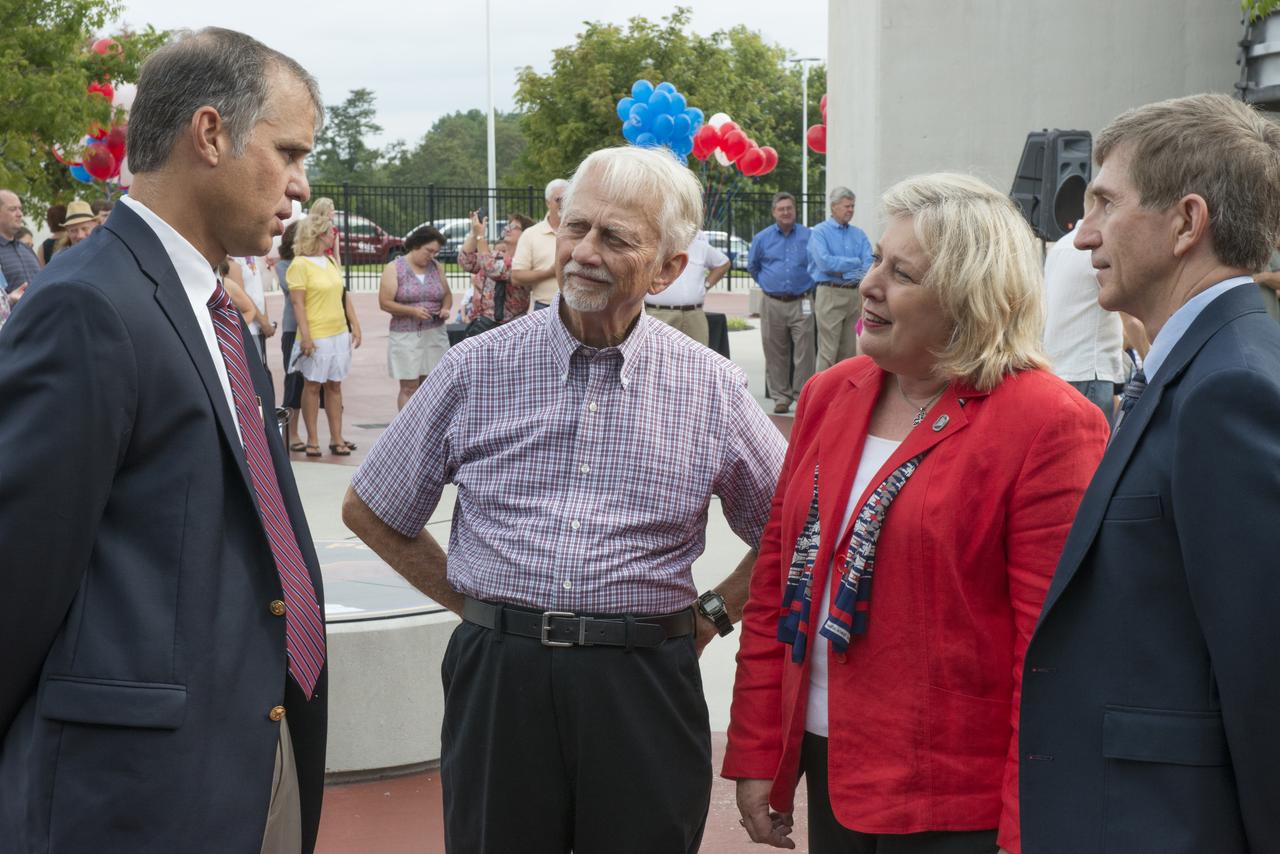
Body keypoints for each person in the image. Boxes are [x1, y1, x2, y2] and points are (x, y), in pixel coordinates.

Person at [342, 145, 787, 854]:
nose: (581, 251)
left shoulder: (710, 388)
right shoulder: (476, 368)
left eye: (615, 238)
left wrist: (711, 615)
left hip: (644, 680)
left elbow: (795, 532)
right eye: (575, 227)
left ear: (670, 268)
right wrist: (473, 606)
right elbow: (371, 508)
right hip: (500, 681)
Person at [0, 28, 328, 852]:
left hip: (254, 741)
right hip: (136, 791)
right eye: (287, 151)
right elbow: (17, 575)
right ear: (210, 134)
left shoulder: (212, 308)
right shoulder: (91, 305)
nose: (301, 184)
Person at [726, 173, 1109, 854]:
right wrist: (760, 753)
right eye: (876, 258)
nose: (870, 284)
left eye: (901, 273)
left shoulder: (1049, 424)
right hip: (830, 764)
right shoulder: (830, 394)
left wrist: (1026, 829)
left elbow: (1052, 660)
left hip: (957, 803)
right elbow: (777, 584)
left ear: (970, 301)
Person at [1019, 93, 1280, 854]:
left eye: (1104, 201)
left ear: (1187, 223)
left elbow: (1265, 673)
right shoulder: (1199, 368)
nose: (1083, 233)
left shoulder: (1231, 389)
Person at [287, 205, 362, 456]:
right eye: (331, 232)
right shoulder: (299, 264)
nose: (334, 236)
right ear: (319, 235)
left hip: (338, 332)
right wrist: (306, 336)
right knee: (312, 386)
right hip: (316, 334)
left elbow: (343, 295)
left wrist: (355, 325)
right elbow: (298, 303)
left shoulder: (330, 261)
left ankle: (337, 438)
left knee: (335, 386)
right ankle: (312, 439)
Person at [1042, 222, 1125, 421]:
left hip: (1058, 369)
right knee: (1095, 450)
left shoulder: (1060, 246)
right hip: (1089, 369)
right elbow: (1131, 319)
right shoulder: (1101, 248)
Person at [748, 192, 815, 413]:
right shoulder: (762, 238)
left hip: (802, 301)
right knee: (775, 351)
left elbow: (816, 264)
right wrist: (770, 284)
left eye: (789, 208)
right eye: (781, 209)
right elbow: (753, 267)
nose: (786, 212)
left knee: (805, 351)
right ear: (774, 212)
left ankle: (802, 395)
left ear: (795, 210)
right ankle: (781, 397)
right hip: (772, 302)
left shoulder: (808, 236)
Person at [379, 225, 451, 410]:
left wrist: (445, 308)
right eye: (429, 251)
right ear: (416, 245)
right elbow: (385, 302)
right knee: (409, 386)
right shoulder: (395, 268)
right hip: (406, 335)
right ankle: (406, 430)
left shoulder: (436, 268)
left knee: (432, 385)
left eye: (435, 252)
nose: (431, 256)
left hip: (435, 333)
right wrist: (412, 311)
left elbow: (447, 295)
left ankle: (427, 428)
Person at [808, 186, 872, 370]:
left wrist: (843, 271)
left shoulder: (858, 234)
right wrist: (854, 262)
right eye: (847, 206)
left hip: (853, 295)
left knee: (849, 351)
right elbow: (825, 263)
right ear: (834, 206)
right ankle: (822, 396)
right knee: (828, 351)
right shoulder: (819, 232)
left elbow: (868, 264)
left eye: (852, 206)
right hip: (829, 293)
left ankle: (844, 395)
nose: (851, 210)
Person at [643, 229, 731, 347]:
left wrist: (706, 285)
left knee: (699, 359)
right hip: (659, 313)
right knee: (657, 356)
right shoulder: (654, 243)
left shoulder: (700, 246)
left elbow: (723, 263)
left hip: (694, 315)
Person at [458, 211, 534, 327]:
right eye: (509, 225)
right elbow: (466, 261)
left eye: (515, 227)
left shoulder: (525, 261)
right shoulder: (495, 255)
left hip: (510, 328)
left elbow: (491, 267)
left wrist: (480, 237)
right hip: (480, 324)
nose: (508, 229)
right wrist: (474, 232)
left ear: (526, 234)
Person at [511, 178, 567, 311]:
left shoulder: (582, 232)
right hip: (544, 307)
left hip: (578, 308)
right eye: (559, 199)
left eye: (569, 198)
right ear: (548, 202)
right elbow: (516, 277)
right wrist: (549, 272)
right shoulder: (531, 234)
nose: (564, 203)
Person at [276, 221, 306, 451]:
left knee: (313, 385)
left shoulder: (314, 263)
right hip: (292, 329)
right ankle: (291, 432)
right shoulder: (285, 265)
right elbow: (295, 292)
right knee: (294, 381)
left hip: (317, 329)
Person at [224, 254, 276, 370]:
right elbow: (241, 295)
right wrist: (263, 322)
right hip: (248, 327)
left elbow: (258, 289)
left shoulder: (252, 255)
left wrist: (265, 320)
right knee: (254, 373)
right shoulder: (233, 259)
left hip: (257, 327)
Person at [0, 190, 41, 293]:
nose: (20, 214)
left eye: (20, 209)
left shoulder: (27, 249)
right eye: (13, 209)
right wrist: (9, 300)